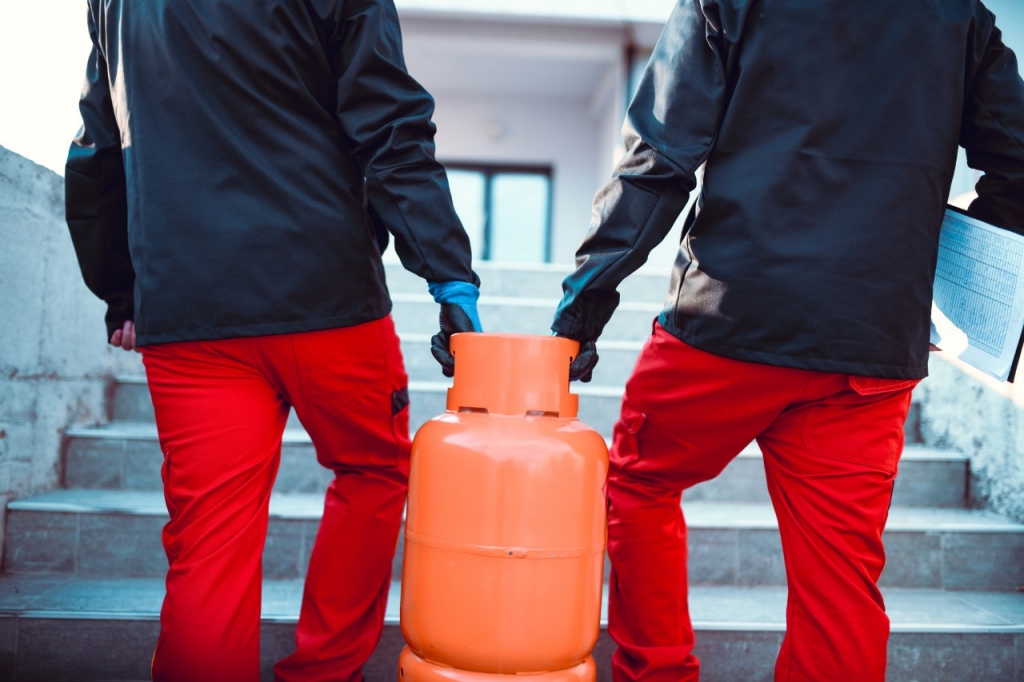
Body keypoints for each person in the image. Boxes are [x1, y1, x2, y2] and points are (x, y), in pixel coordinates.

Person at [553, 0, 1024, 679]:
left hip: (729, 324)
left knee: (640, 483)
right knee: (839, 579)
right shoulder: (958, 15)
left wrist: (587, 296)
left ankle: (656, 671)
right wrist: (946, 273)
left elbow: (660, 156)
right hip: (870, 344)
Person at [65, 0, 480, 679]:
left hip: (189, 305)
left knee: (209, 539)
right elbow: (391, 128)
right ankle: (323, 671)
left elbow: (98, 144)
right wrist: (449, 278)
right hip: (326, 294)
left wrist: (121, 291)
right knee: (372, 471)